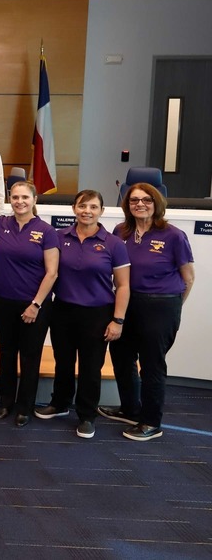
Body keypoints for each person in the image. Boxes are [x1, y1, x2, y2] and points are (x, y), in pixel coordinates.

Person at [99, 184, 194, 441]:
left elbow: (188, 278)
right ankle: (130, 409)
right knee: (121, 356)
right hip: (126, 304)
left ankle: (151, 422)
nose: (140, 204)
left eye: (146, 200)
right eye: (134, 200)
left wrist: (173, 307)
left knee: (152, 364)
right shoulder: (121, 231)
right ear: (127, 205)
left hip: (160, 306)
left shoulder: (174, 235)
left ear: (156, 203)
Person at [36, 190, 130, 440]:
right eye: (82, 206)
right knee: (63, 361)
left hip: (97, 314)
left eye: (93, 207)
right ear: (74, 208)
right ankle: (60, 403)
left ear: (102, 211)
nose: (87, 211)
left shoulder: (114, 243)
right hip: (63, 310)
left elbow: (123, 285)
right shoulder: (58, 237)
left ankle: (87, 415)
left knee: (91, 366)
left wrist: (118, 320)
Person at [0, 180, 59, 428]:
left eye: (25, 197)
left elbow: (52, 273)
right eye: (15, 197)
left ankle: (24, 407)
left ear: (34, 200)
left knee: (30, 356)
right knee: (6, 352)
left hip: (33, 305)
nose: (20, 202)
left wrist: (35, 305)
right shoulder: (0, 224)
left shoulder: (46, 231)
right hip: (1, 300)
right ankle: (6, 402)